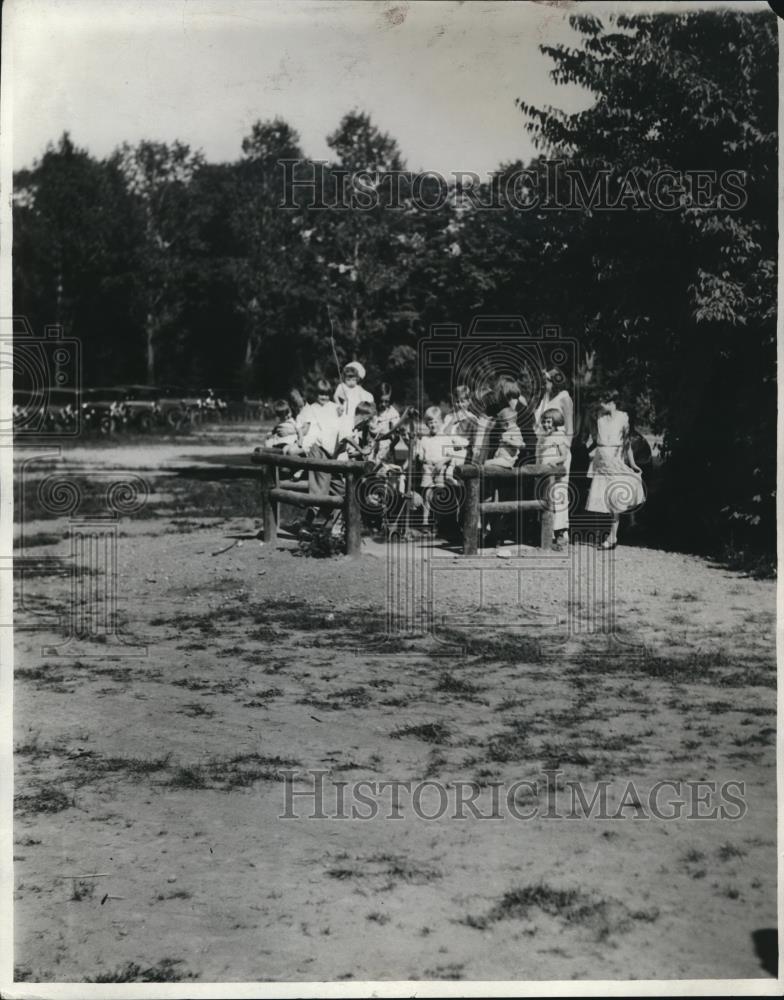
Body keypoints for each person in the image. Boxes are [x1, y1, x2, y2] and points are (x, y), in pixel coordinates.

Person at [586, 389, 645, 549]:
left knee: (615, 497)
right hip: (602, 461)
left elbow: (626, 444)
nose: (600, 404)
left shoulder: (623, 417)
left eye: (603, 401)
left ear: (612, 402)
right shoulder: (597, 416)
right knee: (601, 499)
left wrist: (632, 464)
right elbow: (593, 435)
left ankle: (613, 536)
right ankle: (604, 533)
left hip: (615, 460)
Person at [536, 407, 571, 549]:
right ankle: (547, 535)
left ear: (556, 422)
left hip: (557, 477)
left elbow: (563, 455)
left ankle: (560, 534)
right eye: (544, 422)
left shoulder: (559, 436)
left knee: (558, 502)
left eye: (549, 422)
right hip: (544, 476)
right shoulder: (543, 438)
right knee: (545, 501)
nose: (546, 425)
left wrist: (554, 462)